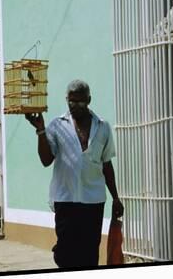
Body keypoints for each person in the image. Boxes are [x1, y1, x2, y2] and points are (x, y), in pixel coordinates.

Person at [25, 79, 124, 268]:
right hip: (65, 201)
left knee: (89, 253)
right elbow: (46, 160)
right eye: (71, 101)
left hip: (93, 201)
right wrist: (40, 131)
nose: (75, 106)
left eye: (79, 102)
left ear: (89, 100)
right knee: (65, 254)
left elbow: (107, 164)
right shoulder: (56, 126)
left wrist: (116, 198)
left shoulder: (103, 127)